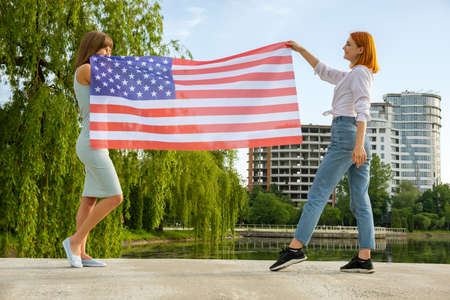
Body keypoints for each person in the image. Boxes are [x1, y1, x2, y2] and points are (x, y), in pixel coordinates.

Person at [270, 32, 379, 273]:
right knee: (360, 199)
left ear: (361, 49)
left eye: (349, 44)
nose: (344, 46)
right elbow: (324, 71)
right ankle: (364, 258)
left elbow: (363, 108)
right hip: (355, 137)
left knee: (318, 192)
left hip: (348, 136)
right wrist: (300, 49)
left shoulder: (359, 73)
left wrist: (357, 145)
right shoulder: (352, 75)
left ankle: (295, 249)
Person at [62, 31, 123, 268]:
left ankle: (82, 253)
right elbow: (117, 83)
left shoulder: (92, 73)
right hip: (91, 144)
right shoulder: (86, 70)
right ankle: (75, 241)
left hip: (98, 143)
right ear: (91, 48)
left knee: (89, 200)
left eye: (110, 49)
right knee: (116, 197)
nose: (109, 53)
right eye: (104, 48)